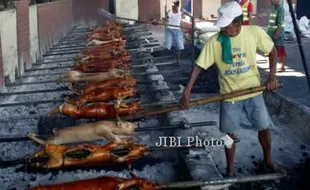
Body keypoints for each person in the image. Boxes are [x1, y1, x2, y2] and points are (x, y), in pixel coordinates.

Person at [179, 1, 283, 177]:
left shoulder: (254, 33)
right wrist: (187, 91)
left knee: (264, 127)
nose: (223, 29)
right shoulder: (216, 41)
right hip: (229, 95)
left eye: (226, 26)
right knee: (229, 134)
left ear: (238, 23)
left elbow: (272, 52)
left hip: (253, 91)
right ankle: (230, 170)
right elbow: (198, 66)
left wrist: (271, 76)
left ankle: (268, 160)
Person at [153, 1, 191, 65]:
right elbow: (164, 20)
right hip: (170, 30)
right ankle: (164, 58)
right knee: (168, 46)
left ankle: (178, 61)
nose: (173, 7)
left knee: (179, 47)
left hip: (177, 30)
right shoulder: (170, 12)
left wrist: (192, 20)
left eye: (175, 6)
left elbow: (190, 16)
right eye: (173, 6)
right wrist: (157, 23)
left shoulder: (181, 11)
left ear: (177, 6)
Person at [267, 0, 286, 72]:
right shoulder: (274, 8)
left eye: (272, 0)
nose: (271, 1)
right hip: (271, 33)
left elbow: (279, 23)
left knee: (280, 50)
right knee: (271, 51)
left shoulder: (281, 9)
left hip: (277, 34)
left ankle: (282, 67)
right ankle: (271, 67)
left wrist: (277, 33)